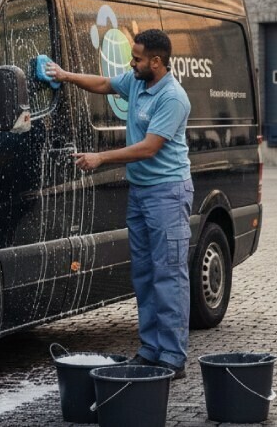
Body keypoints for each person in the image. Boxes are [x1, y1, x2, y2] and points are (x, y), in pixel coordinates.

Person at [45, 29, 193, 379]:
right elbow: (104, 84)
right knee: (143, 275)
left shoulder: (173, 98)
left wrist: (101, 158)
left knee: (168, 275)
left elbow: (148, 148)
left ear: (156, 62)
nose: (131, 62)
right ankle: (150, 350)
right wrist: (66, 76)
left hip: (168, 195)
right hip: (141, 192)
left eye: (138, 58)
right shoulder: (138, 82)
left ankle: (172, 356)